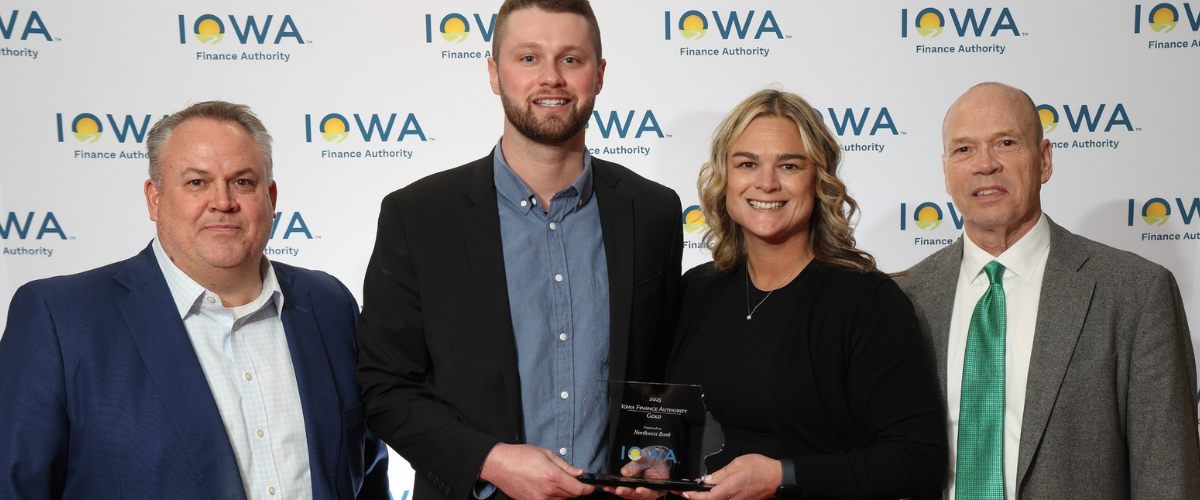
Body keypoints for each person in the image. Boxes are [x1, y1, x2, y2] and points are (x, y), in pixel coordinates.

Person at [354, 1, 682, 499]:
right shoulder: (419, 216)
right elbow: (384, 387)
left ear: (599, 75)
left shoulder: (654, 211)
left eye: (571, 59)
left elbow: (666, 372)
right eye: (529, 58)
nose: (551, 77)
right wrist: (491, 461)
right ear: (494, 73)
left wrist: (660, 451)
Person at [0, 101, 389, 500]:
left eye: (243, 182)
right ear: (154, 198)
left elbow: (367, 472)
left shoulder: (329, 304)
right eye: (197, 182)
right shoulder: (61, 318)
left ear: (270, 197)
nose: (222, 202)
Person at [897, 82, 1200, 499]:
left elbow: (1167, 474)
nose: (985, 165)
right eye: (964, 149)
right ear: (946, 173)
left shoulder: (1135, 291)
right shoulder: (903, 297)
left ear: (1044, 160)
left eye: (1006, 143)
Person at [666, 89, 946, 500]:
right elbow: (675, 422)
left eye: (789, 165)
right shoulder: (697, 288)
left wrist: (784, 475)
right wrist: (657, 460)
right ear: (725, 179)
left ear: (819, 180)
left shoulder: (868, 301)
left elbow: (918, 459)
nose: (766, 183)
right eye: (747, 163)